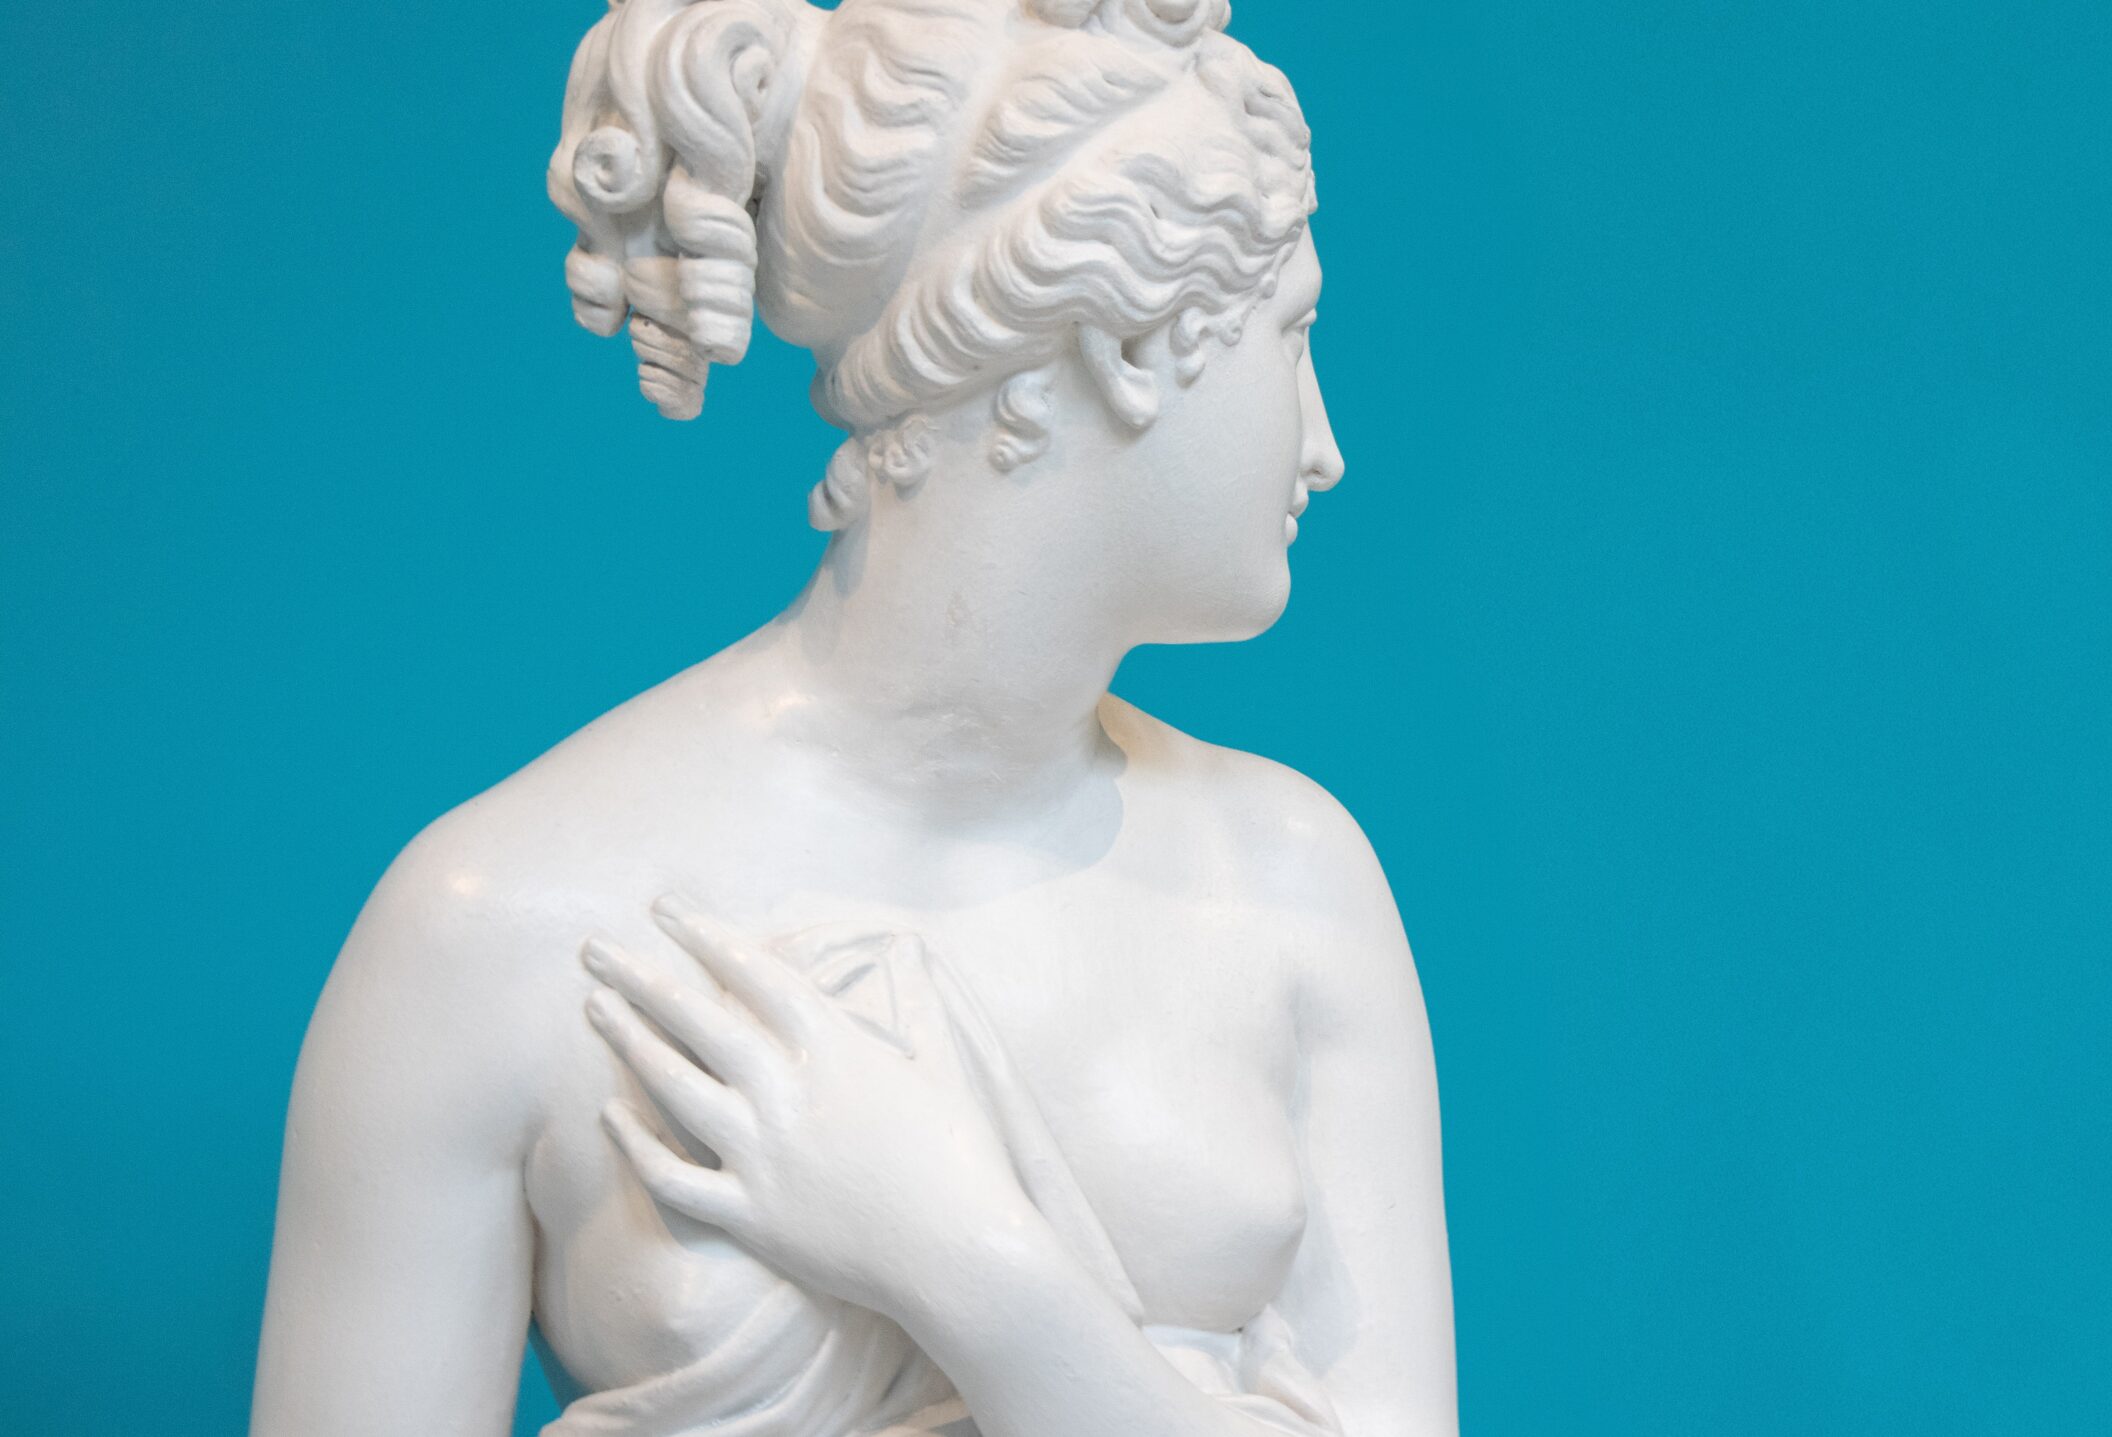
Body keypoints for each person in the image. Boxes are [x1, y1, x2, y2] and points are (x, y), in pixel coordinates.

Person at [248, 2, 1458, 1434]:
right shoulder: (497, 927)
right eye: (1291, 333)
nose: (1324, 444)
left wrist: (964, 1259)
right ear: (1130, 337)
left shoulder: (1293, 882)